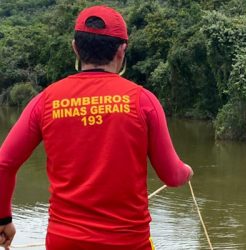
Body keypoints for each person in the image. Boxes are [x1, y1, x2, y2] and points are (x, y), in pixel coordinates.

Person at [0, 5, 193, 250]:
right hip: (128, 244)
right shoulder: (143, 101)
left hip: (64, 243)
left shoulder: (46, 100)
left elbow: (4, 163)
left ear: (75, 48)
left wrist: (3, 218)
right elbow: (172, 175)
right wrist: (186, 171)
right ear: (122, 51)